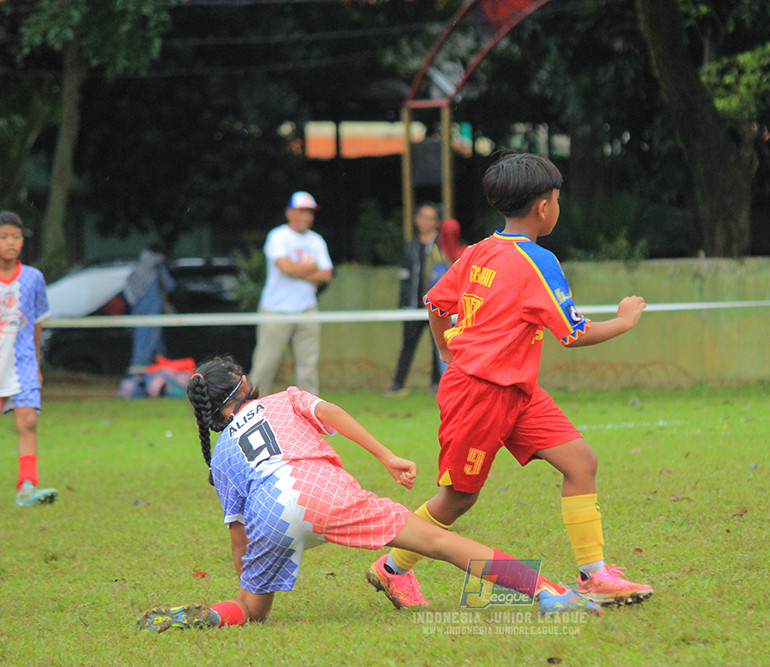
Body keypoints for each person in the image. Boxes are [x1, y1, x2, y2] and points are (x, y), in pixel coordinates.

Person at [135, 356, 598, 633]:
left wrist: (252, 578)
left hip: (268, 517)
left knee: (252, 611)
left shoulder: (219, 459)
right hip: (322, 491)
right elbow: (332, 413)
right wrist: (386, 455)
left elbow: (238, 540)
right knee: (441, 543)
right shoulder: (283, 399)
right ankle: (546, 592)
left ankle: (208, 618)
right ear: (243, 384)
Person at [379, 153, 654, 608]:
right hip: (479, 393)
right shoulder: (538, 260)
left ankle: (594, 575)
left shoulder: (478, 250)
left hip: (517, 389)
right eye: (558, 199)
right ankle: (390, 569)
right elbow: (574, 333)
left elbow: (437, 303)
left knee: (580, 461)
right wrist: (624, 322)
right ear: (545, 207)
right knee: (457, 499)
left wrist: (446, 348)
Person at [248, 192, 333, 396]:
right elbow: (286, 268)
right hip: (275, 309)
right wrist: (312, 267)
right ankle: (249, 410)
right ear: (289, 213)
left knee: (308, 368)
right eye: (301, 211)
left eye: (309, 212)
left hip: (307, 309)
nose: (306, 217)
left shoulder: (316, 240)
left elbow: (327, 274)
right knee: (265, 365)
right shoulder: (278, 236)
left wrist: (298, 270)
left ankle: (309, 414)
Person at [0, 211, 57, 507]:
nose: (11, 243)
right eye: (4, 237)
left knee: (28, 421)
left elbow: (37, 322)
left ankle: (26, 486)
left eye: (16, 237)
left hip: (21, 364)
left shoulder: (34, 278)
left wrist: (36, 363)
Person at [384, 204, 450, 396]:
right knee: (407, 346)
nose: (425, 221)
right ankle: (398, 385)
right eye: (422, 216)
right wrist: (404, 304)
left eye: (430, 218)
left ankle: (438, 384)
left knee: (439, 346)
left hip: (437, 307)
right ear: (416, 219)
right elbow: (404, 277)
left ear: (437, 223)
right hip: (413, 306)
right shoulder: (411, 246)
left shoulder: (443, 246)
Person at [118, 243, 175, 396]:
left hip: (144, 319)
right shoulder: (155, 270)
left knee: (153, 353)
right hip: (150, 320)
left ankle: (151, 386)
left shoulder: (137, 270)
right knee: (144, 353)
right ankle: (138, 386)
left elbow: (129, 294)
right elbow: (170, 286)